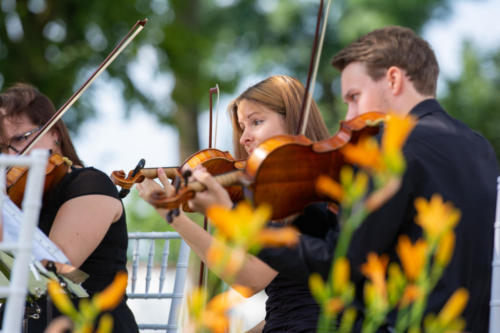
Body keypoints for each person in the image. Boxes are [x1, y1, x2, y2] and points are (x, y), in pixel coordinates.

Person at [257, 26, 500, 332]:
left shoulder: (389, 149)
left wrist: (250, 230)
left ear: (394, 80)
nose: (349, 116)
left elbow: (340, 265)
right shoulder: (478, 146)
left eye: (355, 97)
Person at [137, 75, 336, 332]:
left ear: (294, 120)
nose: (244, 138)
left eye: (256, 122)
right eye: (243, 126)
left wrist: (174, 217)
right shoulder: (299, 188)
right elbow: (290, 304)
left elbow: (251, 280)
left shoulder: (300, 192)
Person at [0, 83, 139, 333]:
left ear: (54, 131)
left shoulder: (91, 184)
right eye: (3, 146)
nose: (13, 154)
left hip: (89, 324)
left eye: (20, 139)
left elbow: (54, 267)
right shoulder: (12, 197)